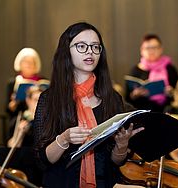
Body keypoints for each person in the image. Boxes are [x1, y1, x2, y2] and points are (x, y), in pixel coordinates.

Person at [33, 22, 145, 188]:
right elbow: (41, 160)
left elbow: (116, 163)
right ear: (66, 50)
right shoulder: (49, 99)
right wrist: (64, 139)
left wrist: (122, 145)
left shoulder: (112, 99)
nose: (90, 52)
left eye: (95, 47)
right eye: (81, 46)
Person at [125, 34, 178, 113]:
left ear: (161, 49)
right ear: (142, 50)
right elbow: (128, 98)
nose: (151, 51)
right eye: (147, 48)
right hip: (142, 111)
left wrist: (171, 92)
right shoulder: (135, 70)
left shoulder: (169, 68)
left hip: (166, 110)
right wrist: (135, 95)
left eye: (154, 48)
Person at [6, 47, 46, 119]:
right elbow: (8, 109)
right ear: (20, 63)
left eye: (32, 62)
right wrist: (14, 103)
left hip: (40, 116)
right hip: (19, 117)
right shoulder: (13, 83)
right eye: (26, 62)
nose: (29, 65)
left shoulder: (42, 81)